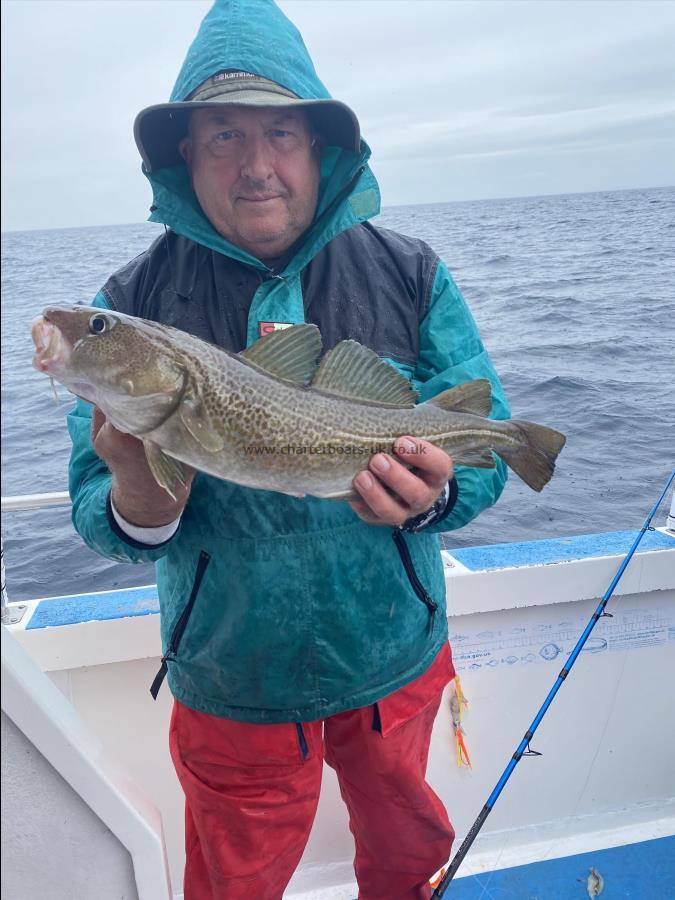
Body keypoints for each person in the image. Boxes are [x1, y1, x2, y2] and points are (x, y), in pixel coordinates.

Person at [67, 1, 510, 897]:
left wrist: (433, 497)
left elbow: (489, 451)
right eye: (224, 134)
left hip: (395, 654)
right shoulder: (131, 307)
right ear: (184, 156)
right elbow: (103, 517)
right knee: (232, 881)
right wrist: (138, 487)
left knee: (407, 850)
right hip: (232, 678)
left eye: (282, 133)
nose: (257, 164)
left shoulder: (409, 272)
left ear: (323, 150)